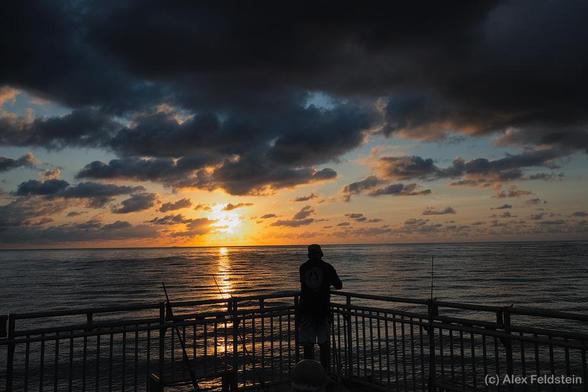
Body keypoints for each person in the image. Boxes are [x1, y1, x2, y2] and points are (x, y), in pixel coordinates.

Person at [298, 244, 342, 370]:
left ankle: (309, 373)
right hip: (323, 310)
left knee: (308, 344)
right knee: (324, 343)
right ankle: (325, 372)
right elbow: (339, 285)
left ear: (308, 254)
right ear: (321, 254)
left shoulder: (303, 267)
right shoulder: (327, 267)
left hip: (306, 310)